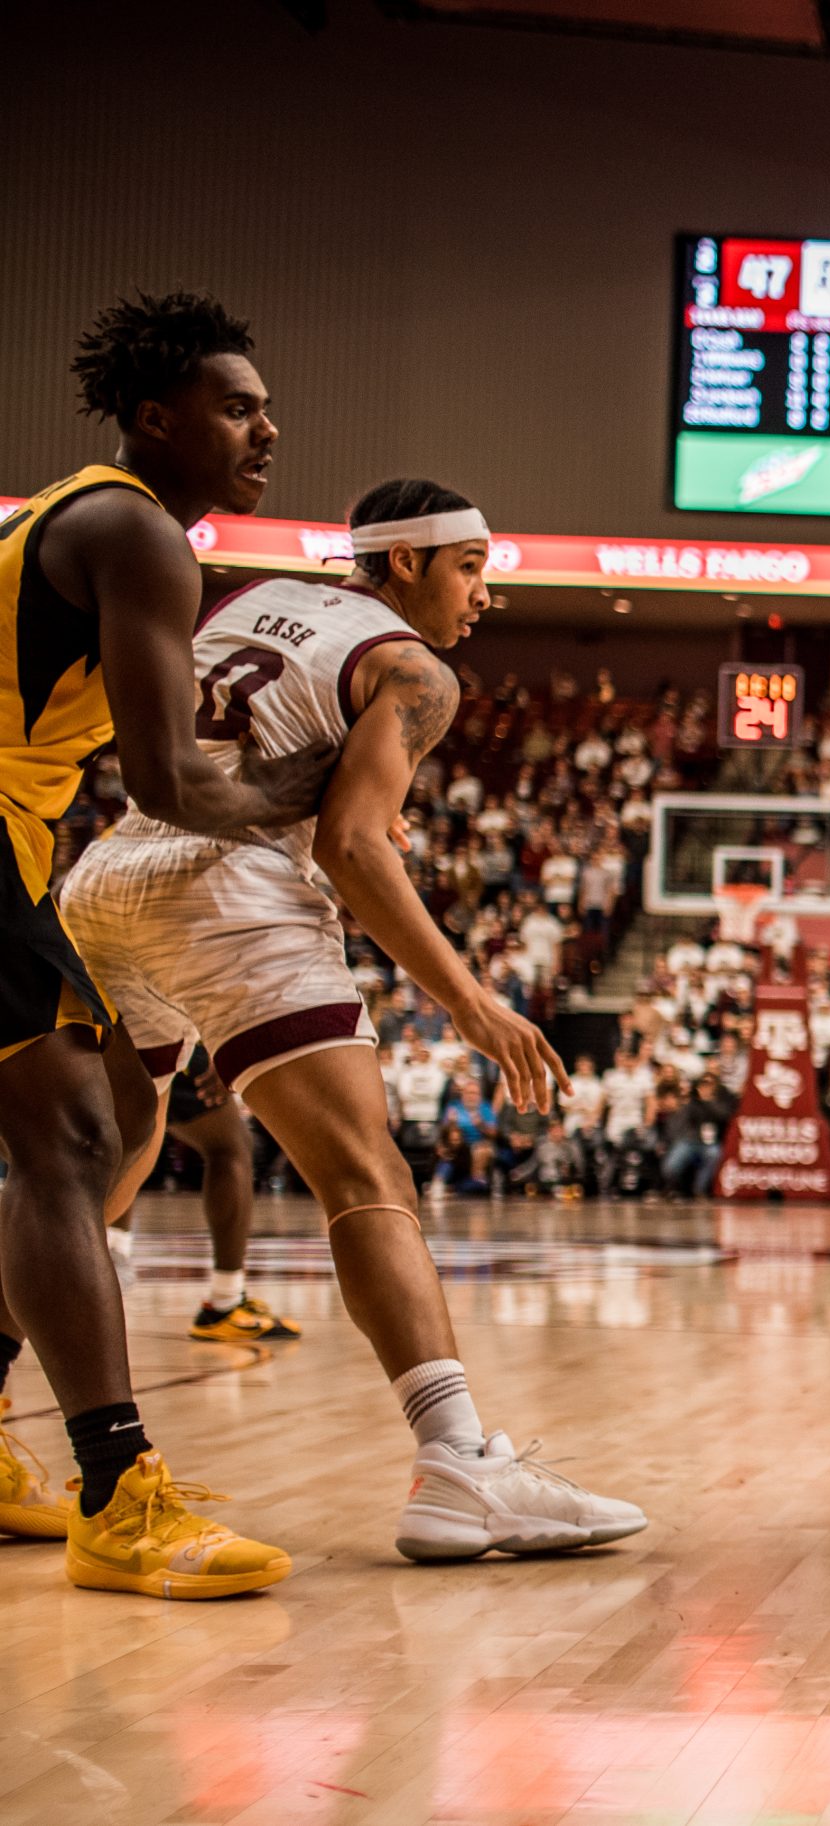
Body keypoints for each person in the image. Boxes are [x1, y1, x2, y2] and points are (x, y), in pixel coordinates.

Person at [61, 478, 645, 1562]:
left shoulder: (254, 596)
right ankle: (461, 1463)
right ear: (407, 561)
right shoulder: (416, 671)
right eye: (470, 567)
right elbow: (353, 844)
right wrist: (473, 1004)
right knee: (366, 1173)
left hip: (108, 871)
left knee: (98, 1164)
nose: (485, 595)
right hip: (232, 892)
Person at [0, 294, 335, 1597]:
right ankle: (116, 1488)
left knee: (88, 1126)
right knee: (72, 1140)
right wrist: (309, 786)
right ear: (159, 418)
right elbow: (171, 784)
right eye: (238, 406)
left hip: (18, 844)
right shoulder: (137, 529)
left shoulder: (92, 518)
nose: (266, 428)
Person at [105, 1048, 303, 1342]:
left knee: (129, 1136)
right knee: (229, 1146)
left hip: (113, 1025)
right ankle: (225, 1302)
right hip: (162, 1027)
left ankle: (110, 1254)